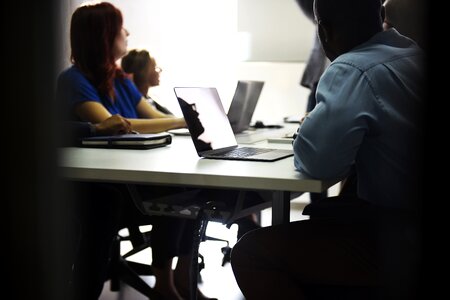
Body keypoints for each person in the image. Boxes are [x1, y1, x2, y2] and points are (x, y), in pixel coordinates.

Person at [231, 0, 424, 299]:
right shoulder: (412, 53)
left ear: (323, 30)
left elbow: (316, 164)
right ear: (383, 16)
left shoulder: (351, 67)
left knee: (251, 254)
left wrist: (308, 128)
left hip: (399, 242)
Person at [57, 3, 216, 299]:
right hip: (102, 186)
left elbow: (152, 119)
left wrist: (190, 119)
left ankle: (179, 279)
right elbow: (113, 124)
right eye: (120, 29)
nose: (127, 33)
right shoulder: (73, 81)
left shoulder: (119, 79)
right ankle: (166, 286)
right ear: (104, 36)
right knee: (177, 189)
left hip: (128, 178)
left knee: (191, 186)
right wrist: (187, 120)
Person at [295, 0, 328, 202]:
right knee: (309, 139)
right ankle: (318, 208)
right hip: (319, 76)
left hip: (342, 68)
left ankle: (322, 214)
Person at [121, 49, 173, 115]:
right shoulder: (133, 105)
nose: (160, 70)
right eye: (155, 67)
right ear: (142, 72)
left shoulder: (149, 100)